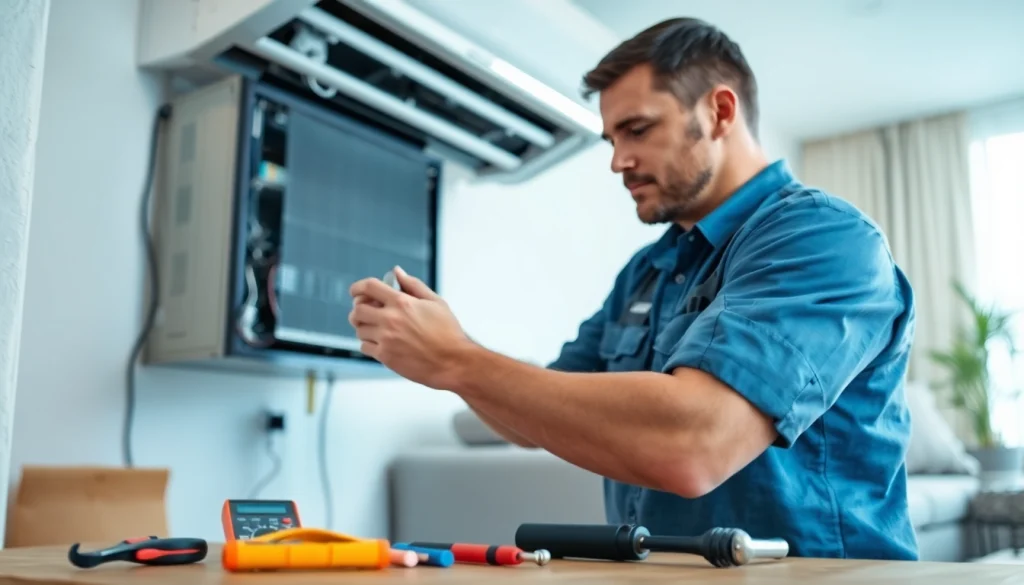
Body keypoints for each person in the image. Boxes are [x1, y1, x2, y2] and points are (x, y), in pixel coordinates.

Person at [348, 17, 918, 560]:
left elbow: (695, 445)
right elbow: (537, 412)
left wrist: (457, 359)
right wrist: (441, 354)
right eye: (611, 139)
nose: (619, 161)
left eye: (638, 130)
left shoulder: (821, 237)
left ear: (720, 111)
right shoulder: (649, 268)